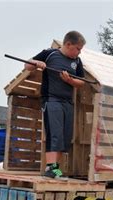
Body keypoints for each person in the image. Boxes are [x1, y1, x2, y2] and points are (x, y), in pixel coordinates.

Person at [25, 31, 86, 179]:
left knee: (65, 136)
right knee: (55, 133)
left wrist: (69, 81)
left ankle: (55, 168)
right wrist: (37, 64)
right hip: (51, 99)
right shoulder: (49, 53)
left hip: (67, 102)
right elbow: (27, 65)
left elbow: (81, 82)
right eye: (78, 48)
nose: (79, 52)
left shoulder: (77, 61)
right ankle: (50, 167)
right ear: (68, 44)